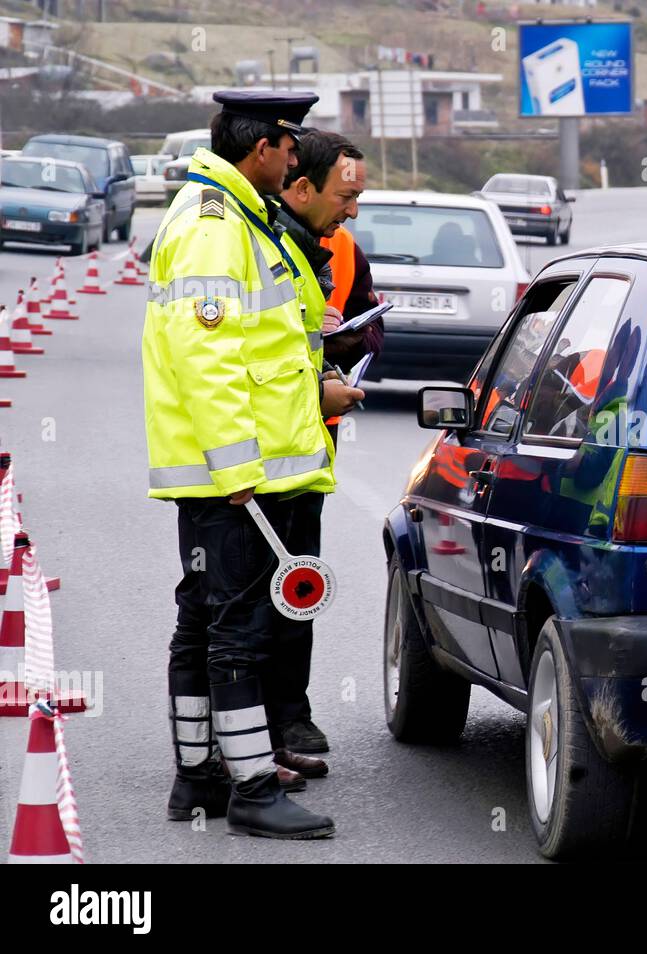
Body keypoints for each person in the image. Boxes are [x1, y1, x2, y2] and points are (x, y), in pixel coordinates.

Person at [144, 90, 364, 839]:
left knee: (204, 623)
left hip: (237, 471)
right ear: (264, 147)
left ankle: (200, 776)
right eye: (291, 145)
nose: (297, 158)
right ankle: (250, 788)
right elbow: (207, 359)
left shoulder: (234, 216)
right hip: (240, 476)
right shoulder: (213, 227)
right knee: (237, 630)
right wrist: (239, 471)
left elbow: (265, 349)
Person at [269, 130, 379, 757]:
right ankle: (247, 734)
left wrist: (344, 351)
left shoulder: (343, 249)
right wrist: (317, 383)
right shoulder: (265, 248)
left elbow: (370, 321)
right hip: (255, 459)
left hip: (312, 447)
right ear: (301, 184)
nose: (353, 208)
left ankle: (291, 715)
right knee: (245, 602)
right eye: (347, 194)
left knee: (298, 585)